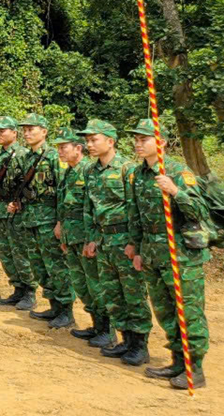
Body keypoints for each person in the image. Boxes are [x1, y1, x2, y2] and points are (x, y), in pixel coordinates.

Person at [126, 119, 210, 388]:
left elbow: (199, 212)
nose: (139, 144)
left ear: (160, 142)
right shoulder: (138, 174)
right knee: (164, 310)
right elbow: (137, 217)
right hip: (152, 254)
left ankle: (194, 369)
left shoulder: (177, 171)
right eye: (136, 140)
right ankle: (176, 360)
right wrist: (137, 249)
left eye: (144, 139)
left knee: (188, 311)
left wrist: (175, 191)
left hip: (181, 255)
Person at [80, 119, 151, 360]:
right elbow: (88, 208)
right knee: (112, 294)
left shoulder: (128, 169)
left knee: (133, 293)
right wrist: (91, 238)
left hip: (124, 241)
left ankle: (140, 345)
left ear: (110, 141)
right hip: (102, 240)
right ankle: (125, 339)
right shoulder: (90, 170)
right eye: (87, 140)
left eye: (94, 139)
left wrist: (134, 242)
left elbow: (137, 208)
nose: (89, 144)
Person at [13, 114, 74, 328]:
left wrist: (60, 221)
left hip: (49, 220)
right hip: (30, 218)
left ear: (44, 132)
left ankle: (66, 310)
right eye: (25, 129)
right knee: (39, 266)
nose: (27, 133)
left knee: (56, 265)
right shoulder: (27, 158)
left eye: (32, 129)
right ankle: (53, 305)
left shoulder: (53, 156)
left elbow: (63, 190)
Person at [53, 127, 101, 341]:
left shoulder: (88, 170)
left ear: (77, 148)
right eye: (58, 148)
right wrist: (62, 230)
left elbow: (92, 209)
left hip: (85, 237)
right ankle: (96, 325)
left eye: (63, 147)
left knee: (94, 284)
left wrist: (91, 239)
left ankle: (105, 330)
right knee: (81, 285)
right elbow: (65, 206)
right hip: (71, 236)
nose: (60, 151)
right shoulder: (68, 171)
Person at [0, 117, 36, 309]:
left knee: (20, 251)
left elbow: (29, 185)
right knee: (6, 251)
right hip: (1, 208)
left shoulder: (23, 154)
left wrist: (19, 202)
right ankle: (17, 288)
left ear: (14, 133)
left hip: (18, 210)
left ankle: (30, 291)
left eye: (3, 130)